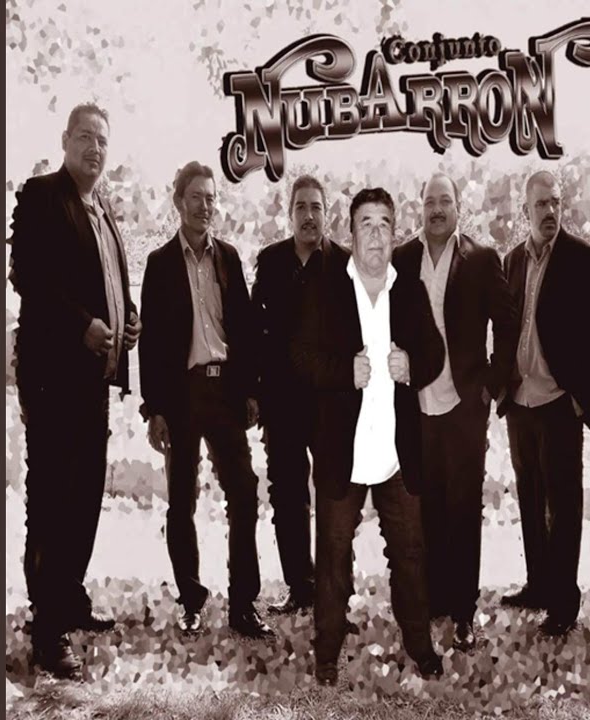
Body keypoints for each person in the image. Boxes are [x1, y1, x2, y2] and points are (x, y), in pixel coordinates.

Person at [293, 187, 447, 687]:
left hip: (397, 457)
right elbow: (302, 356)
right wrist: (345, 372)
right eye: (366, 223)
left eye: (384, 224)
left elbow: (435, 353)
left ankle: (421, 648)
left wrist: (413, 366)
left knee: (410, 558)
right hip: (345, 454)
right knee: (333, 560)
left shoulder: (410, 291)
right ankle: (327, 655)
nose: (376, 234)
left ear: (395, 233)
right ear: (351, 233)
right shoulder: (327, 288)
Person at [8, 102, 140, 679]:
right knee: (52, 500)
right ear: (65, 141)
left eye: (102, 139)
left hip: (94, 381)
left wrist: (128, 316)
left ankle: (68, 597)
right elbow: (29, 277)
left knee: (84, 495)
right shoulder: (42, 196)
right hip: (53, 378)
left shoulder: (102, 208)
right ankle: (48, 631)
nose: (94, 147)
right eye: (85, 136)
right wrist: (82, 324)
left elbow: (108, 279)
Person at [137, 161, 273, 639]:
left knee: (244, 492)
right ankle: (191, 601)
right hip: (181, 395)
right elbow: (151, 343)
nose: (205, 205)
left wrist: (251, 389)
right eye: (196, 196)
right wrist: (154, 408)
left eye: (211, 197)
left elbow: (246, 330)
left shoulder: (228, 258)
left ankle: (243, 605)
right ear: (179, 202)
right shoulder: (159, 264)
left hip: (225, 391)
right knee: (182, 502)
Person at [393, 173, 518, 651]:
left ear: (458, 207)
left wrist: (490, 384)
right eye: (430, 201)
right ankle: (437, 600)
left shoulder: (481, 259)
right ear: (420, 207)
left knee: (464, 509)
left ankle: (464, 612)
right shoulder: (403, 259)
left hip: (465, 405)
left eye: (445, 201)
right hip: (417, 405)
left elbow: (506, 324)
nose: (437, 209)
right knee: (427, 507)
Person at [499, 170, 590, 636]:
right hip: (520, 401)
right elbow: (508, 326)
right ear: (526, 210)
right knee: (530, 496)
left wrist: (582, 399)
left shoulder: (583, 259)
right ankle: (538, 584)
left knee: (563, 504)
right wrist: (501, 387)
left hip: (560, 401)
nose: (550, 211)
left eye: (556, 202)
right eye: (541, 204)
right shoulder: (512, 261)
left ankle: (563, 602)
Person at [252, 175, 349, 614]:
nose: (309, 216)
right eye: (301, 208)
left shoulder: (345, 265)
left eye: (316, 207)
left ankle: (333, 591)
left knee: (334, 500)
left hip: (331, 405)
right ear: (289, 214)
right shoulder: (271, 262)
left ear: (327, 214)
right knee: (287, 497)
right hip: (283, 405)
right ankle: (300, 587)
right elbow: (256, 331)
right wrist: (258, 395)